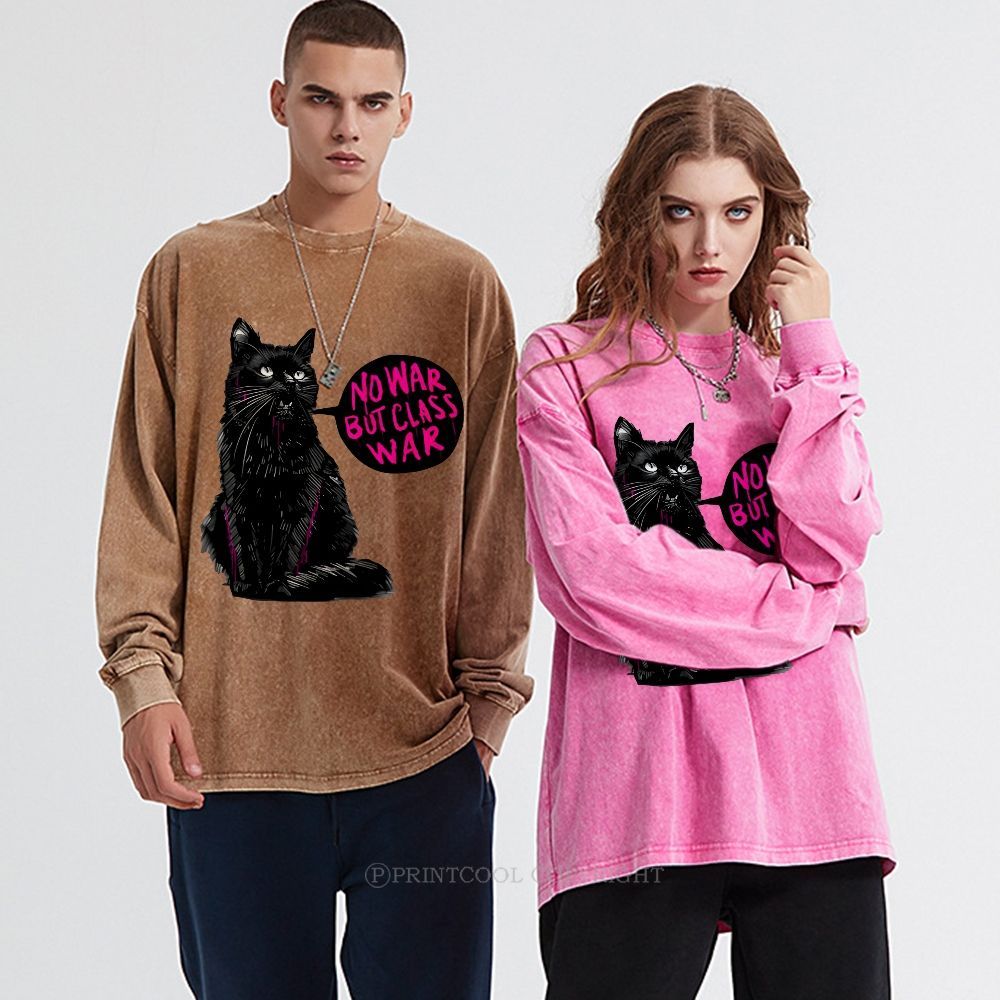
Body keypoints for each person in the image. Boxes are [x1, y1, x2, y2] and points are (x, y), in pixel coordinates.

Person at [94, 2, 533, 997]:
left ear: (405, 113)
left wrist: (488, 712)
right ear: (279, 101)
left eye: (372, 103)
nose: (346, 127)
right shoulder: (192, 270)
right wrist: (143, 682)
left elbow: (495, 516)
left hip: (425, 757)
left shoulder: (460, 285)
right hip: (231, 754)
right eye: (323, 99)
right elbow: (143, 490)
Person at [514, 83, 896, 999]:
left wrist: (813, 344)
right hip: (638, 802)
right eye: (680, 211)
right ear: (637, 213)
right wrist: (807, 610)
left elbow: (834, 543)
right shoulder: (566, 366)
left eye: (738, 212)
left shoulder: (790, 373)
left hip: (811, 790)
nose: (709, 246)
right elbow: (599, 577)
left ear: (773, 218)